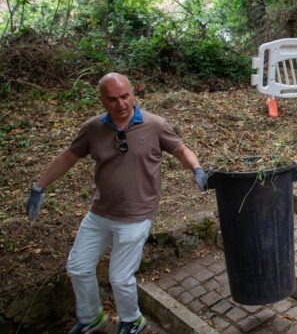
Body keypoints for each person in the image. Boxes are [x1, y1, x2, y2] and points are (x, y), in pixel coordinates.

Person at [25, 73, 207, 334]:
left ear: (133, 94)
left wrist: (196, 168)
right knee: (78, 267)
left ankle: (132, 320)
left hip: (136, 214)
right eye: (112, 99)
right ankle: (91, 318)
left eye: (125, 96)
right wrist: (39, 186)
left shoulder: (155, 125)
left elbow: (180, 149)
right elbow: (68, 157)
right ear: (102, 100)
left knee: (120, 277)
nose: (121, 104)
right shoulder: (93, 128)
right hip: (101, 212)